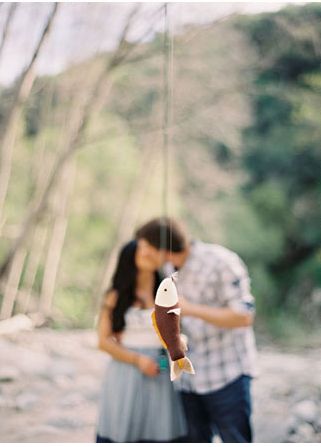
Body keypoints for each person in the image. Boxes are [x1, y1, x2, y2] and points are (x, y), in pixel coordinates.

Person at [135, 217, 257, 443]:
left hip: (227, 375)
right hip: (187, 381)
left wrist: (191, 309)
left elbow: (244, 316)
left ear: (161, 248)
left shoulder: (221, 261)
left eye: (146, 247)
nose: (142, 253)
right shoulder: (165, 270)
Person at [96, 239, 187, 443]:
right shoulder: (116, 296)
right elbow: (103, 341)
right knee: (126, 428)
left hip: (161, 370)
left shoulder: (167, 292)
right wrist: (138, 360)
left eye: (153, 249)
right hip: (126, 371)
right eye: (143, 250)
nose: (150, 253)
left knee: (161, 429)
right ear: (130, 258)